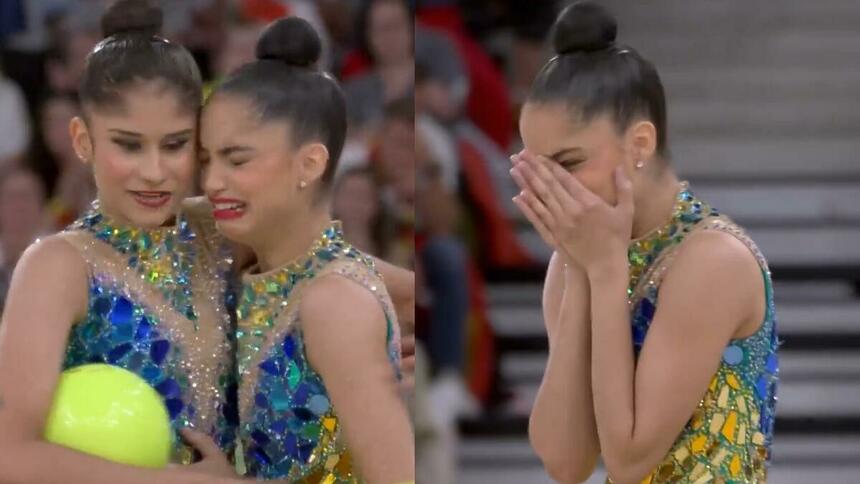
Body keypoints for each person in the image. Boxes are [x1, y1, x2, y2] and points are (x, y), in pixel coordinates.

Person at [0, 2, 414, 483]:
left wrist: (375, 348)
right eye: (128, 145)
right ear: (83, 139)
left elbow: (365, 280)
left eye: (175, 145)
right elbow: (9, 455)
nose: (154, 171)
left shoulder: (220, 230)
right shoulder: (57, 265)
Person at [513, 3, 778, 483]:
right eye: (538, 170)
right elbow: (565, 463)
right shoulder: (579, 260)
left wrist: (607, 271)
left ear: (639, 145)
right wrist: (579, 271)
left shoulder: (713, 260)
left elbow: (630, 458)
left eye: (567, 163)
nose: (551, 190)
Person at [200, 17, 414, 483]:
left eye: (237, 160)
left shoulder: (333, 302)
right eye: (207, 159)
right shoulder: (267, 272)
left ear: (310, 163)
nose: (213, 182)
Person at [0, 167, 47, 315]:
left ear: (42, 208)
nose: (19, 207)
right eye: (12, 198)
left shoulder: (59, 261)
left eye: (26, 197)